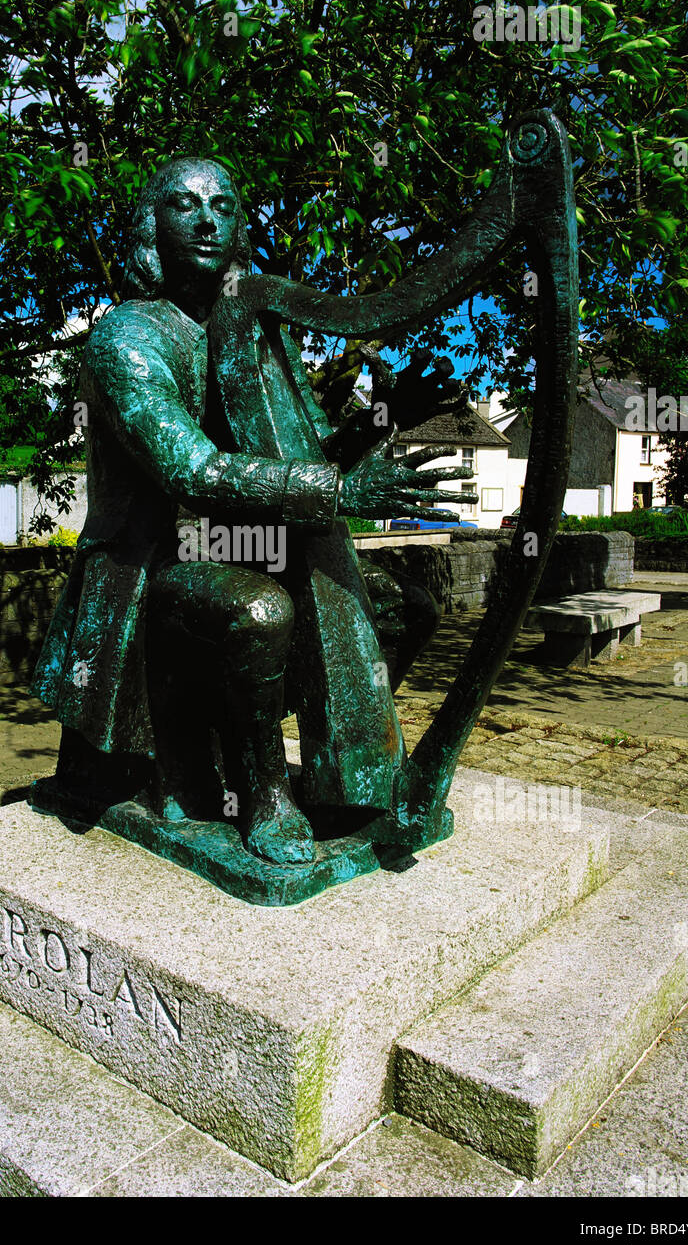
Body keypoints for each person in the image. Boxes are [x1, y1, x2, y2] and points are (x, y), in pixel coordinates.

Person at [32, 157, 472, 865]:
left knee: (405, 609)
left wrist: (386, 417)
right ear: (151, 226)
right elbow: (193, 472)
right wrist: (338, 495)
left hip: (242, 543)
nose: (207, 218)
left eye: (224, 204)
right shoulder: (127, 338)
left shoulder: (253, 327)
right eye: (184, 203)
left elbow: (309, 452)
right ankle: (264, 795)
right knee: (261, 612)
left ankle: (339, 766)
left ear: (239, 226)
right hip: (148, 564)